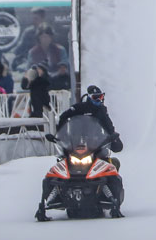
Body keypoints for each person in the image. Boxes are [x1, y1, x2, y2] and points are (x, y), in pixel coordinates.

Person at [37, 84, 125, 220]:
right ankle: (45, 203)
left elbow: (109, 127)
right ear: (89, 97)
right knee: (55, 171)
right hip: (75, 147)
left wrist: (114, 139)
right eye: (96, 97)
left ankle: (113, 200)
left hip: (96, 147)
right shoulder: (78, 109)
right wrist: (60, 137)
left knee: (111, 166)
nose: (99, 100)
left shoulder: (102, 112)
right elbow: (64, 118)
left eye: (101, 97)